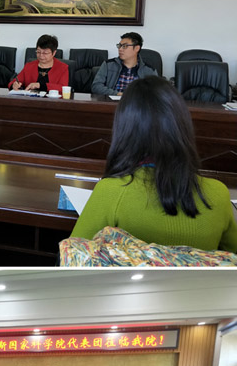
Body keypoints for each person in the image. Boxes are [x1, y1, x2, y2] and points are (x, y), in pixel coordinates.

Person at [70, 77, 237, 253]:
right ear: (182, 125)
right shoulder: (218, 195)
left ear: (124, 129)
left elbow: (72, 255)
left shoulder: (110, 191)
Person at [92, 32, 157, 96]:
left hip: (136, 102)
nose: (120, 49)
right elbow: (96, 87)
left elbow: (155, 92)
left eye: (124, 46)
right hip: (113, 101)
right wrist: (117, 94)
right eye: (119, 46)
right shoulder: (108, 65)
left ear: (137, 48)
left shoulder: (149, 70)